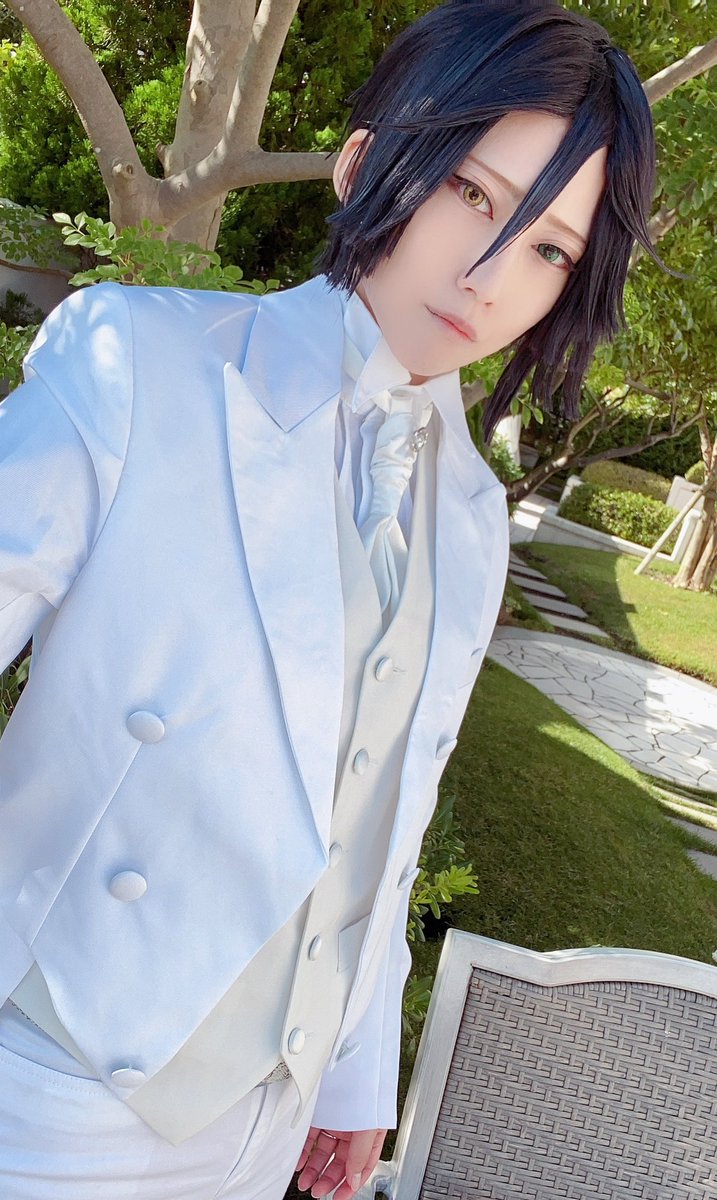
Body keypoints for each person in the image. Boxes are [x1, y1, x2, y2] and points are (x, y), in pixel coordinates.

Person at [0, 2, 657, 1198]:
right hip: (54, 1086)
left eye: (551, 250)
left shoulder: (471, 511)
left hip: (269, 1120)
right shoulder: (138, 364)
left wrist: (352, 1082)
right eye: (472, 193)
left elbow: (386, 822)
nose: (491, 274)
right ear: (365, 163)